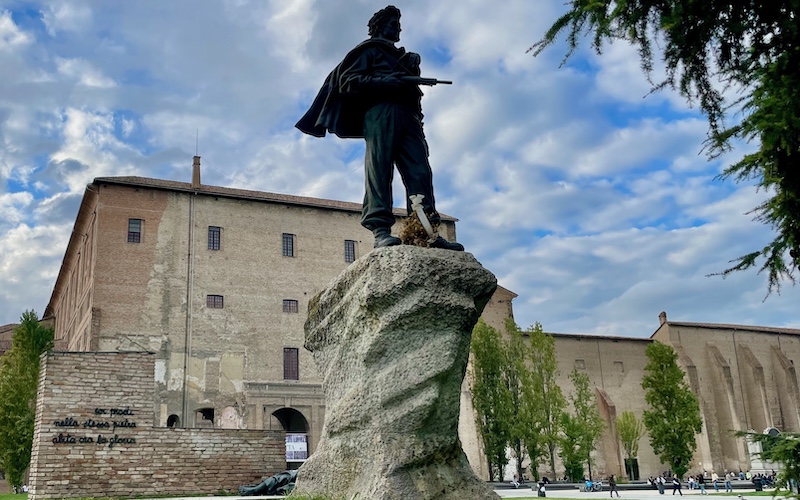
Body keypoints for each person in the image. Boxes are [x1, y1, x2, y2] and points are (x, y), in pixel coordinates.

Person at [296, 5, 464, 251]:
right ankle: (380, 230)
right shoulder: (370, 50)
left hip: (409, 116)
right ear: (380, 27)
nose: (399, 29)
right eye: (394, 25)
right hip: (381, 112)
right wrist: (386, 81)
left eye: (399, 25)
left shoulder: (404, 58)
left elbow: (413, 93)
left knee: (420, 172)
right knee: (380, 168)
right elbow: (348, 82)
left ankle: (425, 231)